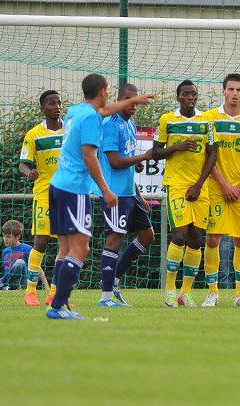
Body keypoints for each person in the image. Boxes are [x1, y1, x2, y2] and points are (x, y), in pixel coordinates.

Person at [46, 73, 153, 320]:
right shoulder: (94, 119)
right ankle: (59, 306)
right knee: (81, 248)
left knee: (65, 249)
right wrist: (105, 189)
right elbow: (89, 157)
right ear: (104, 91)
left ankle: (60, 304)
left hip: (57, 185)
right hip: (74, 188)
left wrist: (133, 99)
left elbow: (107, 110)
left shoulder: (76, 111)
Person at [152, 80, 217, 308]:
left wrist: (199, 184)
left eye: (193, 94)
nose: (190, 97)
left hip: (200, 187)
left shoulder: (206, 120)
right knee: (178, 236)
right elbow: (155, 153)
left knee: (196, 239)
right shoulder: (167, 120)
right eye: (186, 94)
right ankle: (170, 289)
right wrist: (176, 148)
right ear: (178, 98)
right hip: (176, 184)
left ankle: (185, 292)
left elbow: (212, 154)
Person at [200, 73, 240, 307]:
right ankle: (213, 292)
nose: (235, 93)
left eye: (239, 90)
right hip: (216, 190)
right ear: (223, 91)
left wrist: (239, 186)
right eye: (231, 89)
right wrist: (224, 184)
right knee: (213, 239)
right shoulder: (209, 118)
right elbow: (208, 156)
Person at [94, 83, 155, 308]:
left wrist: (139, 194)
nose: (134, 104)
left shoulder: (131, 125)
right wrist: (143, 157)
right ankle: (106, 297)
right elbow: (114, 162)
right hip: (115, 194)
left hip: (130, 193)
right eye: (129, 99)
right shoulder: (110, 125)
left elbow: (126, 161)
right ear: (119, 99)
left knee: (148, 235)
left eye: (136, 100)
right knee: (114, 240)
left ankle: (114, 280)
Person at [18, 90, 63, 306]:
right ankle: (30, 292)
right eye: (52, 103)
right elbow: (22, 164)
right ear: (43, 109)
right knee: (42, 241)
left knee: (66, 244)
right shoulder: (34, 134)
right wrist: (30, 173)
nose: (57, 106)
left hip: (69, 195)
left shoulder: (71, 130)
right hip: (45, 194)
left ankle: (54, 294)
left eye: (59, 103)